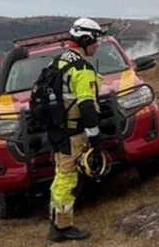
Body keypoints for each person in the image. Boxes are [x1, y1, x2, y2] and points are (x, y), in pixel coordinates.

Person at [46, 17, 105, 242]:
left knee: (60, 176)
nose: (97, 45)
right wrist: (95, 140)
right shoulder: (81, 68)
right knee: (67, 180)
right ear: (86, 40)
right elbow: (87, 106)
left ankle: (56, 221)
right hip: (73, 134)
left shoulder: (59, 60)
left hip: (57, 131)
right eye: (95, 41)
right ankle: (61, 228)